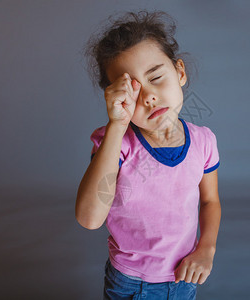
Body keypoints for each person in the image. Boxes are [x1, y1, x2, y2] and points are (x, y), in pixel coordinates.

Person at [76, 10, 221, 300]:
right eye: (132, 91)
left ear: (180, 72)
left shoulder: (203, 141)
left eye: (156, 77)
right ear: (115, 98)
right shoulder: (116, 145)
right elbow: (90, 219)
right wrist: (117, 124)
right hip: (131, 284)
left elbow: (209, 200)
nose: (149, 97)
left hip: (183, 278)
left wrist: (206, 248)